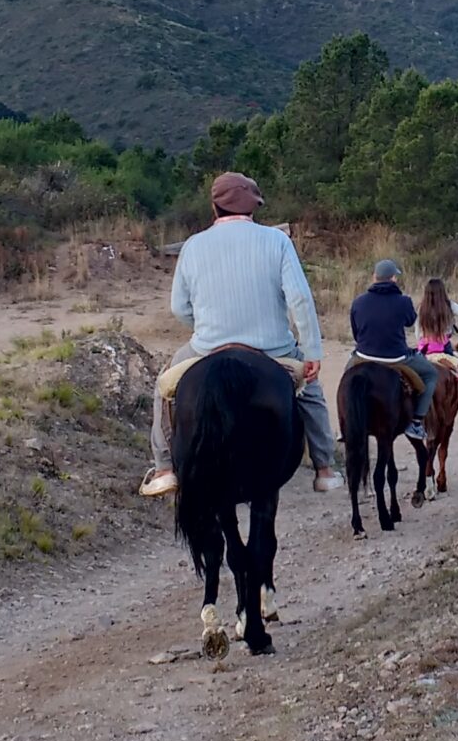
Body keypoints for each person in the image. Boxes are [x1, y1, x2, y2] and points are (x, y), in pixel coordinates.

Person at [141, 172, 337, 498]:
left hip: (206, 348)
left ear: (214, 206)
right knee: (311, 390)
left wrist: (206, 326)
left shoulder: (193, 245)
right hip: (274, 349)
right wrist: (312, 350)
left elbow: (179, 307)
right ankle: (324, 467)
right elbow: (300, 299)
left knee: (164, 388)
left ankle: (164, 468)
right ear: (253, 207)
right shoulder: (277, 241)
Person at [350, 259, 442, 442]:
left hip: (363, 356)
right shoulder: (404, 301)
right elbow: (410, 321)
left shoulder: (358, 302)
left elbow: (355, 333)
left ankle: (347, 424)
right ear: (393, 278)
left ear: (374, 277)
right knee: (431, 374)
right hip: (396, 357)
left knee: (347, 378)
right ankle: (416, 421)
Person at [415, 277, 458, 427]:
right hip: (444, 350)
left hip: (425, 351)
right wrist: (454, 328)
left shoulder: (421, 308)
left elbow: (418, 334)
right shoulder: (449, 306)